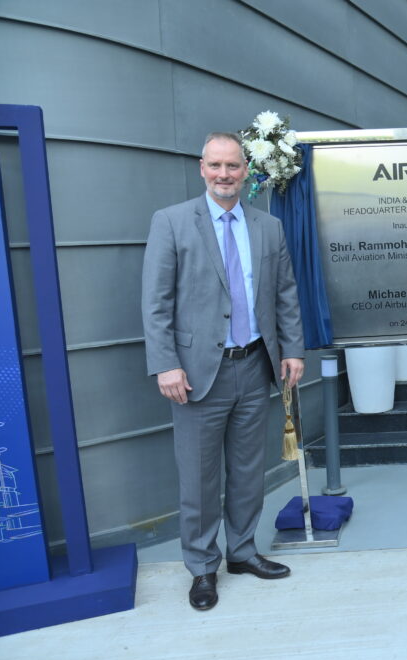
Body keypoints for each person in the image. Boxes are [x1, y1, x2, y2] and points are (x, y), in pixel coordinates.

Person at [142, 131, 305, 611]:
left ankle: (242, 551)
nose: (224, 174)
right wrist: (165, 363)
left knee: (248, 470)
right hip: (195, 374)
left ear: (245, 171)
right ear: (201, 168)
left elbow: (285, 295)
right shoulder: (172, 223)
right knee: (198, 477)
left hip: (255, 366)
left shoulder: (267, 227)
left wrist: (292, 350)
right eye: (215, 166)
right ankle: (201, 568)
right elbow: (156, 304)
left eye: (233, 166)